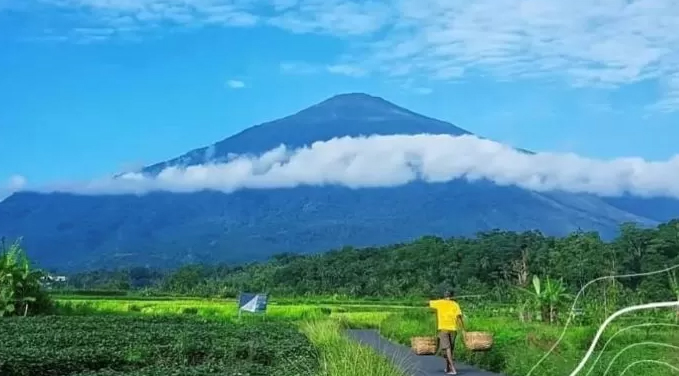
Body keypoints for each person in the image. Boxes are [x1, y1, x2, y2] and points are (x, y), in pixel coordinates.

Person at [429, 290, 465, 375]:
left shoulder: (439, 302)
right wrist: (463, 329)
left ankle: (453, 369)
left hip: (444, 329)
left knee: (447, 349)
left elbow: (428, 303)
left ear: (444, 296)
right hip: (453, 329)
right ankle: (448, 368)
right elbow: (459, 318)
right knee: (450, 349)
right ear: (451, 296)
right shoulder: (455, 304)